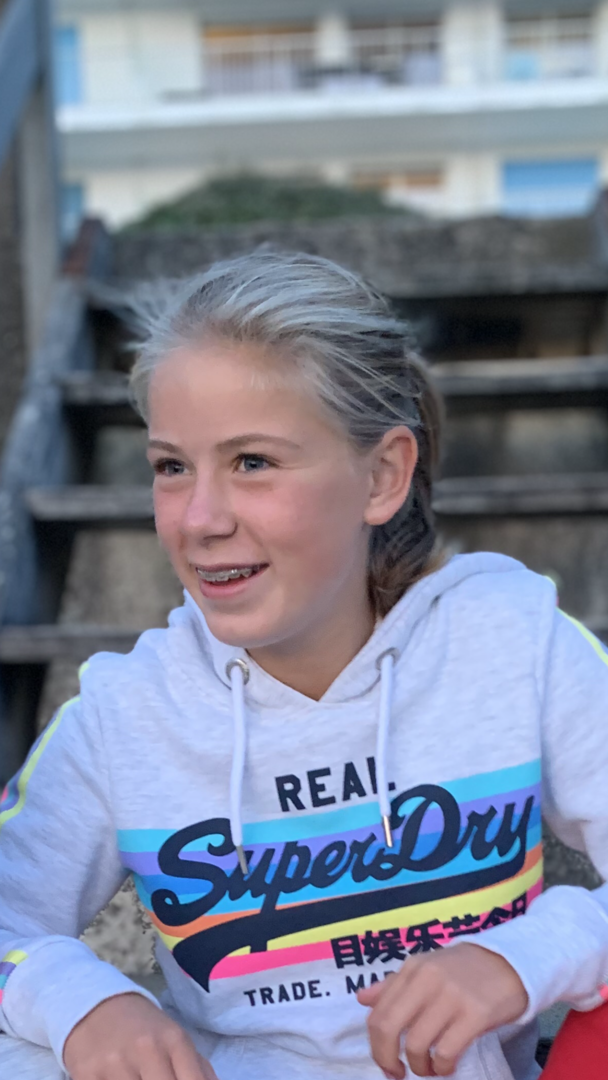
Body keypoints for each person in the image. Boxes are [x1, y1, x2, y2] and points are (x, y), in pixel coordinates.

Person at [0, 250, 607, 1080]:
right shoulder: (124, 714)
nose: (199, 519)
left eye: (252, 462)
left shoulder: (513, 643)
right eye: (172, 467)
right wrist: (80, 1002)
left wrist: (526, 955)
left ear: (383, 475)